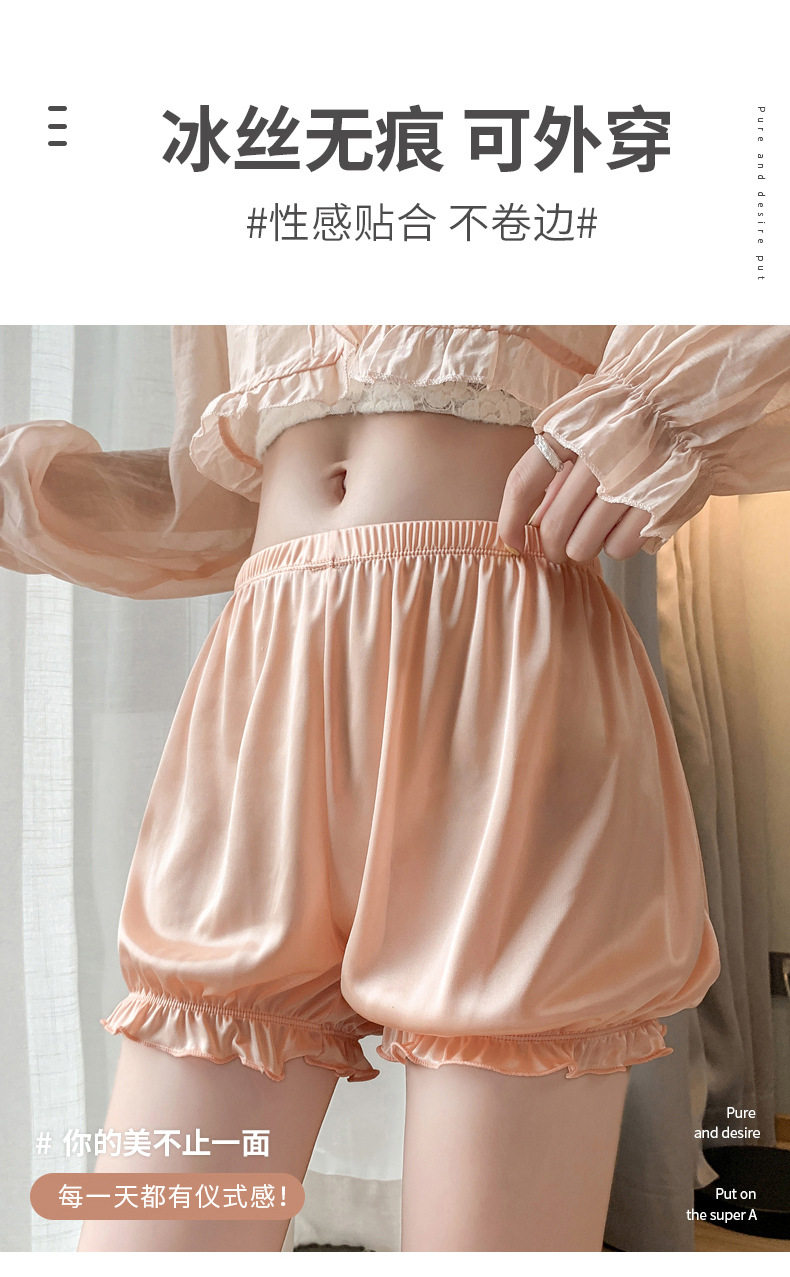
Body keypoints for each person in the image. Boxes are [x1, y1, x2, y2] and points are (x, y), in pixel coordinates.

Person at [3, 324, 790, 1252]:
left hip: (506, 672)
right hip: (267, 684)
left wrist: (654, 411)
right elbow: (212, 502)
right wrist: (33, 498)